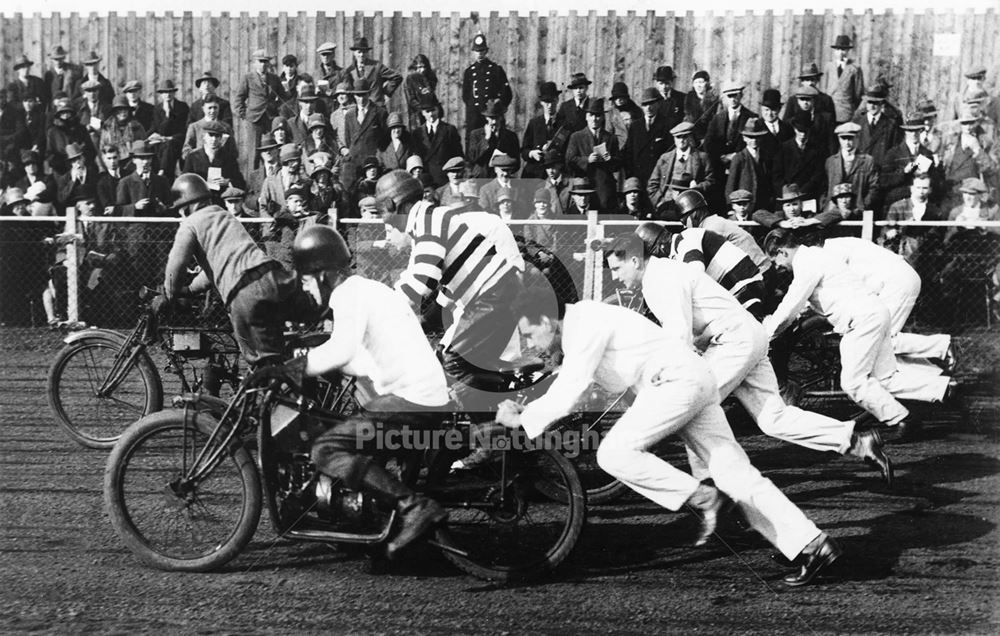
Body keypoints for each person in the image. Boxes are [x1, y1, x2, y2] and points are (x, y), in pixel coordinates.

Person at [496, 287, 844, 587]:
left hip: (675, 382)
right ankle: (811, 544)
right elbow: (567, 374)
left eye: (529, 335)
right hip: (692, 379)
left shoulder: (583, 324)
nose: (530, 344)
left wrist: (523, 420)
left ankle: (702, 498)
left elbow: (570, 389)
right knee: (735, 472)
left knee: (614, 454)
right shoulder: (582, 322)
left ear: (546, 320)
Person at [605, 234, 891, 483]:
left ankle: (713, 489)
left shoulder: (659, 278)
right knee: (773, 419)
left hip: (734, 340)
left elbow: (678, 335)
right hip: (748, 336)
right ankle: (856, 441)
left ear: (634, 260)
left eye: (617, 269)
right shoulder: (664, 272)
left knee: (693, 405)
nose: (616, 277)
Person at [247, 224, 450, 558]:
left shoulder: (348, 296)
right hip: (418, 395)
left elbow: (340, 350)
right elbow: (358, 360)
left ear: (324, 274)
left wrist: (288, 370)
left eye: (307, 281)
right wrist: (311, 363)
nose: (306, 290)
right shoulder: (368, 289)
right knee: (343, 428)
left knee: (325, 449)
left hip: (410, 400)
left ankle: (414, 506)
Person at [763, 229, 945, 438]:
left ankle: (902, 419)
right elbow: (808, 301)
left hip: (862, 321)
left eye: (776, 262)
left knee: (853, 382)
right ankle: (944, 388)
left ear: (782, 252)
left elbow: (789, 307)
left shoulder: (806, 262)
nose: (780, 268)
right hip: (875, 312)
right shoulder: (817, 256)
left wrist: (765, 335)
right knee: (884, 378)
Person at [376, 169, 524, 413]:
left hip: (492, 297)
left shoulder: (427, 222)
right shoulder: (428, 220)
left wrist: (385, 309)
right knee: (472, 367)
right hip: (493, 295)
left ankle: (491, 433)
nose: (385, 220)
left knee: (454, 362)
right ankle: (502, 424)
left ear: (397, 204)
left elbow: (422, 280)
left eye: (384, 211)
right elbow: (438, 281)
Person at [162, 173, 314, 365]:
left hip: (245, 291)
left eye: (180, 209)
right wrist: (191, 289)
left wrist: (169, 292)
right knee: (277, 351)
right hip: (272, 275)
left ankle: (277, 386)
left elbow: (176, 266)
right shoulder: (223, 215)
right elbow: (215, 269)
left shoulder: (190, 224)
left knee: (262, 365)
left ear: (186, 206)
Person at [822, 235, 954, 371]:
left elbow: (844, 289)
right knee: (882, 344)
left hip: (895, 283)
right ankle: (934, 376)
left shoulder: (831, 252)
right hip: (893, 281)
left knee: (878, 340)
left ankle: (942, 346)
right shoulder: (837, 245)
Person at [636, 221, 766, 319]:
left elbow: (695, 273)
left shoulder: (685, 238)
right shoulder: (680, 245)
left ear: (660, 247)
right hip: (740, 286)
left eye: (653, 254)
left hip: (744, 287)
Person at [646, 121, 715, 218]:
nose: (681, 140)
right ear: (674, 139)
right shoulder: (665, 158)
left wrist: (697, 187)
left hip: (691, 207)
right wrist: (659, 203)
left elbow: (711, 181)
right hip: (667, 207)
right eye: (678, 137)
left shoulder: (702, 157)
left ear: (690, 137)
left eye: (685, 137)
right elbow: (652, 185)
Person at [565, 99, 621, 213]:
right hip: (583, 188)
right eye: (591, 115)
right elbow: (569, 160)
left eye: (598, 116)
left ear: (602, 117)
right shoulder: (576, 137)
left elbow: (618, 164)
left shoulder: (611, 138)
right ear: (586, 117)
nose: (594, 119)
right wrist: (587, 160)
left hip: (604, 189)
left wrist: (610, 159)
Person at [234, 49, 287, 162]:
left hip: (271, 119)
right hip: (254, 119)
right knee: (254, 152)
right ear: (254, 63)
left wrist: (276, 107)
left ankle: (272, 177)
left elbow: (283, 97)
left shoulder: (274, 78)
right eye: (260, 61)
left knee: (272, 149)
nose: (263, 64)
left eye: (265, 61)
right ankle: (254, 178)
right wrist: (245, 115)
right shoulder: (247, 78)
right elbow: (239, 99)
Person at [461, 33, 512, 147]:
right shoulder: (469, 72)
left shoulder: (496, 70)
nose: (479, 53)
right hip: (475, 116)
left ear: (486, 51)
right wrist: (473, 108)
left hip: (492, 115)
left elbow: (507, 94)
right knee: (473, 143)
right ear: (473, 52)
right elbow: (466, 96)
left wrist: (497, 108)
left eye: (482, 50)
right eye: (477, 51)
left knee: (495, 142)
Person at [339, 79, 388, 190]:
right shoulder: (350, 115)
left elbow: (386, 140)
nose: (361, 99)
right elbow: (348, 140)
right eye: (358, 95)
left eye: (363, 95)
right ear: (354, 96)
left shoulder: (380, 113)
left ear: (369, 94)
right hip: (354, 164)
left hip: (372, 164)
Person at [703, 81, 759, 175]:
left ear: (741, 95)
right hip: (719, 165)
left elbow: (753, 143)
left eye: (735, 95)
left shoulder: (751, 117)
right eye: (730, 96)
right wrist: (721, 156)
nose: (733, 99)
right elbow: (708, 143)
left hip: (742, 165)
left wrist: (736, 156)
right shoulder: (717, 118)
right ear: (725, 97)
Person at [825, 122, 879, 213]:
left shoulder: (868, 161)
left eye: (850, 138)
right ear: (838, 139)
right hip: (833, 212)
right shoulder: (830, 162)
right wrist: (826, 204)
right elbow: (824, 187)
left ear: (857, 138)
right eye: (843, 138)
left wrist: (863, 206)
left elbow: (874, 187)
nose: (847, 142)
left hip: (858, 211)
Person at [412, 94, 464, 187]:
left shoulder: (449, 130)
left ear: (438, 109)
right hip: (425, 180)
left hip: (444, 179)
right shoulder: (417, 133)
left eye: (433, 110)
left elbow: (458, 156)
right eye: (427, 111)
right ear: (423, 113)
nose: (431, 114)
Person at [726, 118, 774, 211]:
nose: (754, 140)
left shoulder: (766, 157)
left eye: (757, 137)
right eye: (750, 137)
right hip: (744, 206)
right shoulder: (739, 158)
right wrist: (731, 208)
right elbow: (730, 185)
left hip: (763, 204)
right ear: (744, 138)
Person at [627, 88, 673, 185]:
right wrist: (631, 176)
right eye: (645, 105)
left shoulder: (667, 124)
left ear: (658, 104)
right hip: (638, 177)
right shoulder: (635, 126)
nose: (648, 108)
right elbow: (629, 153)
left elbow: (670, 153)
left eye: (651, 103)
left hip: (658, 177)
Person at [466, 99, 520, 179]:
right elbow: (472, 158)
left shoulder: (511, 136)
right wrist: (486, 139)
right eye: (491, 118)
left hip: (502, 178)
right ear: (486, 118)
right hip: (481, 178)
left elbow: (516, 163)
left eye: (496, 117)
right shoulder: (476, 134)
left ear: (501, 117)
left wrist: (504, 169)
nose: (494, 122)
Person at [148, 80, 190, 178]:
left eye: (170, 92)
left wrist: (170, 137)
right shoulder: (157, 109)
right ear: (161, 95)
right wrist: (148, 137)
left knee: (169, 146)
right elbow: (156, 128)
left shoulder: (182, 107)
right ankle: (158, 174)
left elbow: (185, 129)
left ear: (174, 93)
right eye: (164, 92)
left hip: (178, 140)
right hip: (161, 141)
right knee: (153, 147)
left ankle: (162, 171)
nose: (167, 95)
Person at [342, 36, 402, 107]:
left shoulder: (377, 66)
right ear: (354, 53)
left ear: (367, 53)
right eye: (359, 52)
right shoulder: (349, 71)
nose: (361, 55)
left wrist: (385, 92)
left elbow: (397, 77)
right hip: (359, 108)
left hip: (376, 106)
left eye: (364, 52)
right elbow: (348, 90)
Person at [521, 82, 563, 180]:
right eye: (546, 102)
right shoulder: (534, 123)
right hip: (535, 172)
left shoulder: (565, 124)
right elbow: (524, 151)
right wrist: (532, 154)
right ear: (541, 102)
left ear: (557, 100)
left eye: (552, 101)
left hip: (555, 173)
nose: (549, 105)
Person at [852, 86, 900, 171]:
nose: (872, 106)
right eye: (870, 102)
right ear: (866, 103)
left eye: (876, 103)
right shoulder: (857, 122)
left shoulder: (891, 125)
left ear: (882, 104)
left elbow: (894, 151)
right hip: (860, 171)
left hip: (880, 171)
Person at [823, 35, 866, 124]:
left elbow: (858, 94)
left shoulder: (855, 69)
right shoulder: (829, 67)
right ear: (834, 51)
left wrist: (853, 109)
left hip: (847, 113)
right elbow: (824, 89)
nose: (840, 53)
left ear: (848, 51)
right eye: (838, 50)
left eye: (843, 50)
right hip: (830, 111)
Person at [403, 54, 438, 130]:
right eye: (419, 67)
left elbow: (432, 96)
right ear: (415, 67)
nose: (422, 70)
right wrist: (423, 110)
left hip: (430, 114)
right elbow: (411, 100)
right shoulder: (411, 79)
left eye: (424, 67)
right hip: (417, 114)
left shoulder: (430, 78)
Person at [684, 70, 720, 143]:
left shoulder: (714, 99)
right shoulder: (689, 98)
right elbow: (689, 118)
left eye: (701, 82)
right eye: (696, 82)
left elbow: (717, 120)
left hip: (710, 135)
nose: (698, 85)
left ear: (707, 83)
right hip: (693, 134)